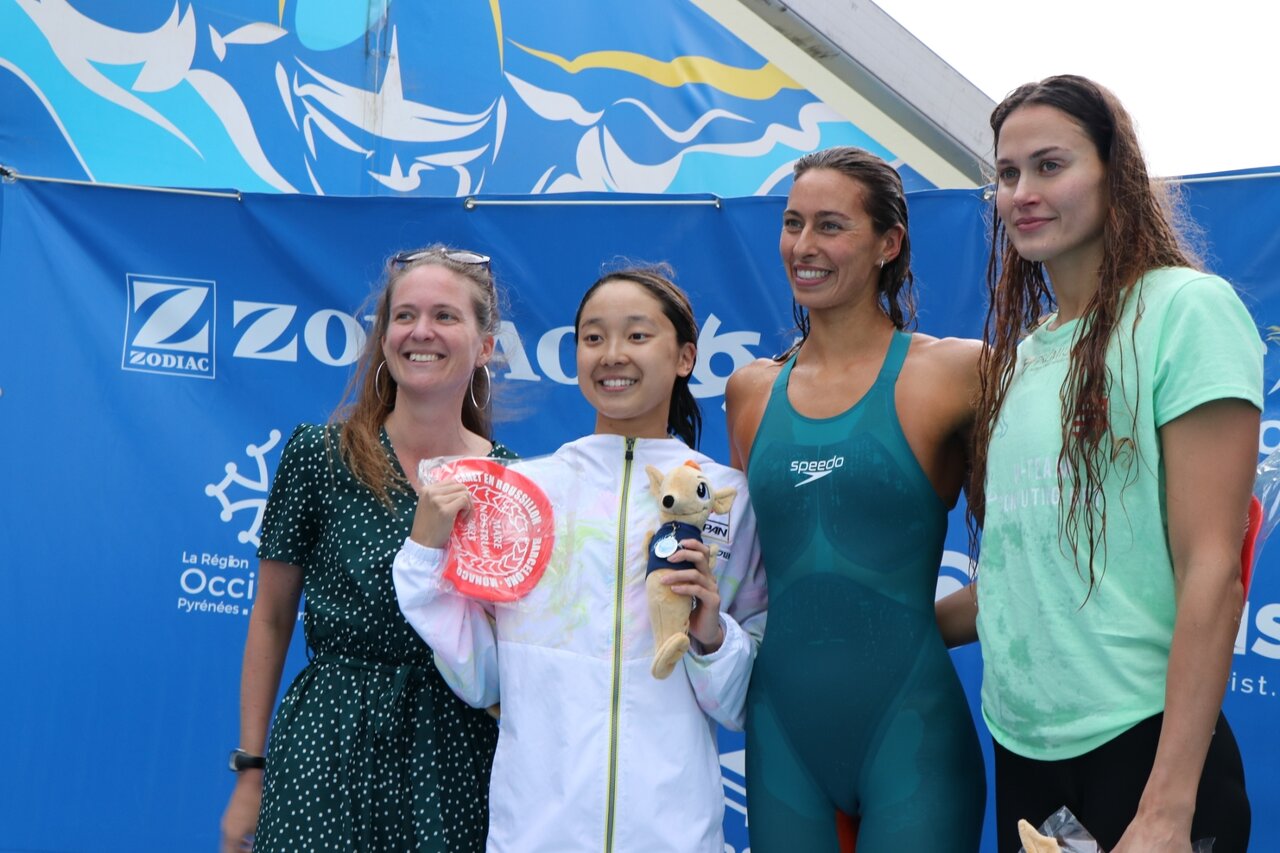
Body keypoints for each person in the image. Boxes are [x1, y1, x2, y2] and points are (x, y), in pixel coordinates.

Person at [960, 75, 1261, 852]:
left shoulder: (1186, 310)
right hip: (1025, 755)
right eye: (1007, 173)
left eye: (1050, 165)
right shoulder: (1021, 359)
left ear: (1114, 172)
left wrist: (1166, 808)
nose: (1023, 192)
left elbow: (1212, 569)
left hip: (1146, 751)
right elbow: (1023, 575)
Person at [392, 266, 767, 852]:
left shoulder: (727, 501)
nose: (612, 354)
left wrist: (711, 636)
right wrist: (424, 558)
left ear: (685, 357)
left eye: (637, 335)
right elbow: (482, 680)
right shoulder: (524, 496)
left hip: (675, 836)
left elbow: (743, 706)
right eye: (593, 337)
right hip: (535, 835)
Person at [724, 146, 985, 852]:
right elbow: (744, 579)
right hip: (783, 736)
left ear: (887, 243)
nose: (803, 245)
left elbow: (1025, 564)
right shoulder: (750, 392)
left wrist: (907, 630)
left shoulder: (956, 373)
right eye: (792, 223)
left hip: (913, 733)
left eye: (831, 225)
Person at [220, 246, 511, 853]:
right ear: (384, 338)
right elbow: (271, 617)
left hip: (455, 760)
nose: (421, 331)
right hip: (325, 745)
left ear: (485, 346)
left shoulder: (512, 484)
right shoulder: (319, 456)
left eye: (445, 316)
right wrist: (251, 769)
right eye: (404, 316)